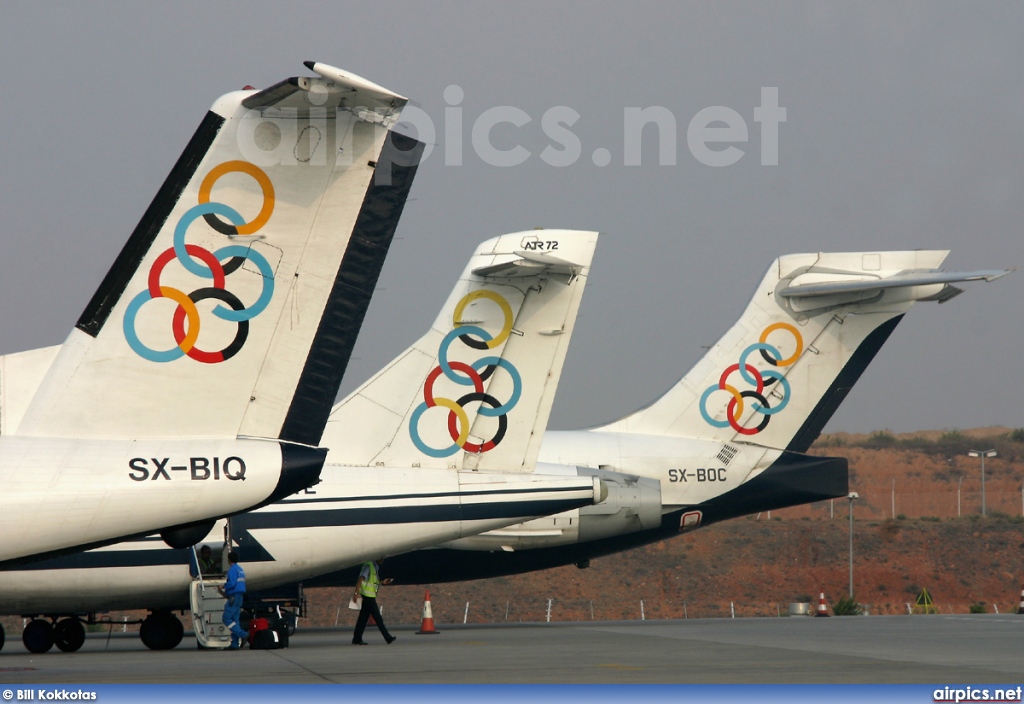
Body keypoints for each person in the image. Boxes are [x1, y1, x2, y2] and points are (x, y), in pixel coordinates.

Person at [352, 557, 396, 645]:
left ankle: (357, 638)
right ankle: (388, 637)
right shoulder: (369, 566)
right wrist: (356, 593)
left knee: (363, 618)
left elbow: (374, 582)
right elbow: (360, 579)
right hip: (368, 596)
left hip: (370, 595)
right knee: (378, 618)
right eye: (381, 558)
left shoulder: (375, 567)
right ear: (377, 557)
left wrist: (383, 582)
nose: (383, 560)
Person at [218, 551, 247, 650]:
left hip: (234, 597)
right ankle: (234, 644)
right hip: (239, 597)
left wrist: (223, 586)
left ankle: (243, 634)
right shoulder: (240, 569)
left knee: (226, 618)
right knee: (235, 620)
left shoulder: (232, 570)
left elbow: (232, 583)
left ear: (229, 560)